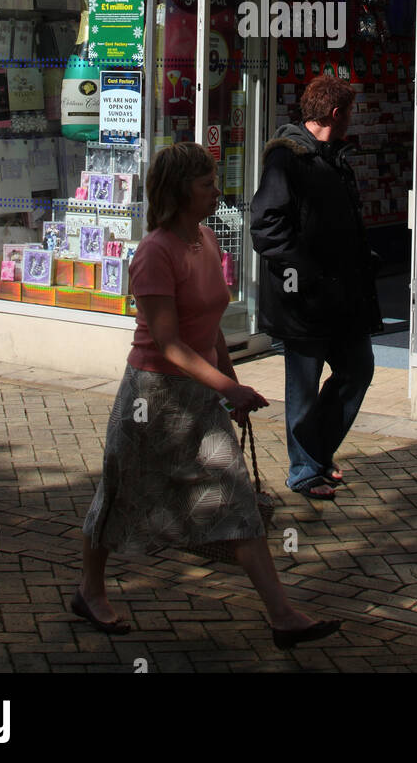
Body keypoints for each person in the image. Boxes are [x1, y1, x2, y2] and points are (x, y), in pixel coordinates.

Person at [74, 141, 339, 648]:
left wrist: (225, 383)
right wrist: (230, 388)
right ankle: (90, 590)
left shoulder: (204, 239)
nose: (217, 191)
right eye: (206, 184)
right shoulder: (154, 252)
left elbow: (211, 324)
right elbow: (169, 345)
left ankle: (282, 616)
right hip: (152, 398)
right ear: (179, 191)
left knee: (235, 495)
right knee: (119, 493)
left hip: (199, 395)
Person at [250, 76, 382, 500]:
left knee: (357, 368)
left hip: (339, 296)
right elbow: (267, 227)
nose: (353, 119)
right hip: (303, 300)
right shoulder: (287, 160)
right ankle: (304, 469)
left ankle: (317, 453)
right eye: (351, 112)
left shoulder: (332, 156)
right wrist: (303, 274)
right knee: (302, 387)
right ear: (336, 114)